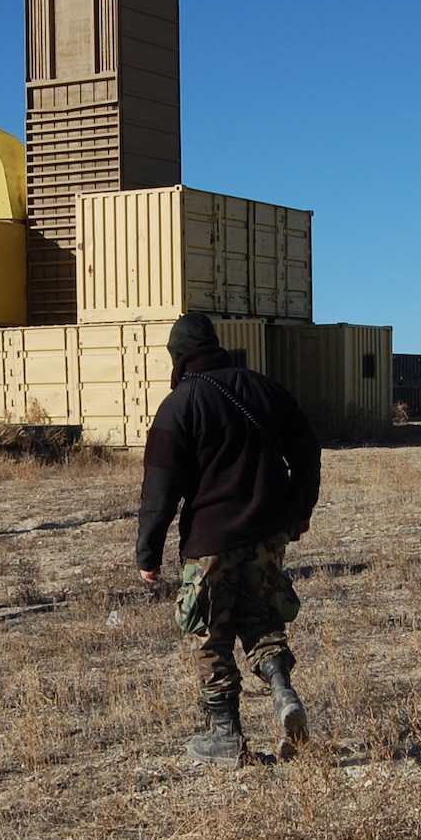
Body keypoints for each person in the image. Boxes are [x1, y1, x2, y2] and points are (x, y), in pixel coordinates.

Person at [137, 314, 322, 766]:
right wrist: (300, 510)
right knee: (260, 619)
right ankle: (283, 692)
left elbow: (159, 489)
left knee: (211, 636)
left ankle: (226, 736)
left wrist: (148, 551)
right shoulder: (264, 388)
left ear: (178, 357)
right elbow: (307, 449)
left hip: (210, 543)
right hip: (267, 533)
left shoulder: (179, 405)